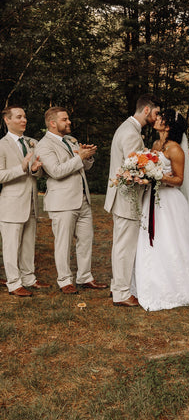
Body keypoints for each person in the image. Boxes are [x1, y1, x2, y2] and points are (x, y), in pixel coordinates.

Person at [131, 109, 189, 311]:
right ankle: (150, 280)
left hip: (169, 201)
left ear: (168, 126)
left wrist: (157, 175)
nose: (156, 119)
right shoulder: (156, 145)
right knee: (151, 240)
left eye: (161, 118)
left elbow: (179, 180)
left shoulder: (175, 149)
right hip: (152, 198)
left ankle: (177, 284)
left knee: (171, 241)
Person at [36, 107, 107, 294]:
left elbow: (83, 167)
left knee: (86, 240)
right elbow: (56, 172)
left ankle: (85, 277)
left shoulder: (71, 140)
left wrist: (87, 157)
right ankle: (64, 280)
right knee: (63, 242)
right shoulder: (44, 145)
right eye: (65, 119)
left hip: (83, 199)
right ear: (53, 123)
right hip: (62, 201)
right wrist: (80, 157)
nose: (69, 122)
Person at [105, 94, 160, 307]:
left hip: (122, 196)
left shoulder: (127, 129)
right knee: (124, 247)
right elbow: (135, 168)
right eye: (155, 113)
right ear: (146, 110)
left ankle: (116, 286)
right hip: (127, 197)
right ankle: (121, 293)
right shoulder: (130, 133)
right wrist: (154, 175)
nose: (156, 118)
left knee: (121, 244)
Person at [0, 106, 50, 297]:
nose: (24, 120)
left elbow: (39, 171)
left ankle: (29, 278)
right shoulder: (2, 145)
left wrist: (36, 169)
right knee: (12, 245)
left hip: (31, 201)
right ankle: (13, 283)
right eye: (19, 117)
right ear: (7, 120)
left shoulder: (32, 143)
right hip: (11, 204)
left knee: (28, 243)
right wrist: (21, 168)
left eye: (25, 116)